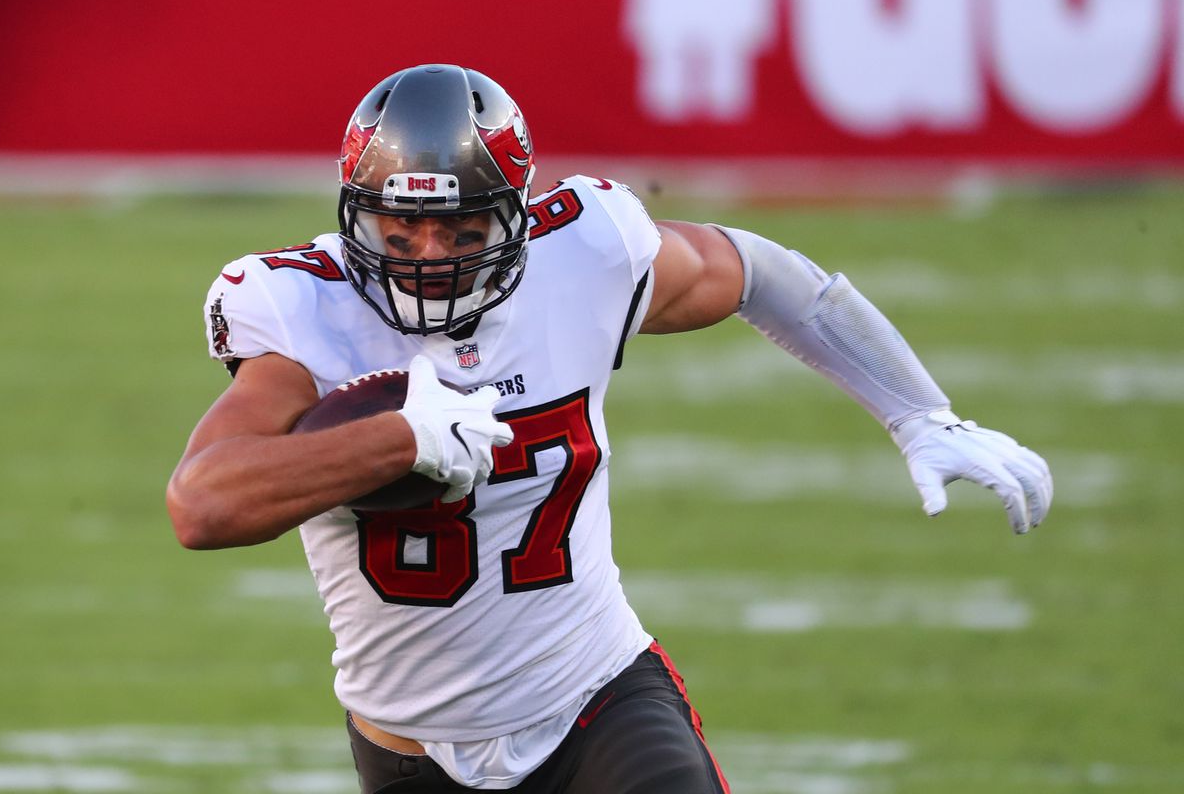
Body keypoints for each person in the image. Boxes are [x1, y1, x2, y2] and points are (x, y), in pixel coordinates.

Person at [166, 64, 1052, 793]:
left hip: (596, 699)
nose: (430, 256)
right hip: (410, 753)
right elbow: (200, 507)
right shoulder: (301, 312)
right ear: (357, 215)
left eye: (459, 225)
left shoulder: (584, 255)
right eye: (401, 228)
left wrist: (916, 409)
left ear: (515, 214)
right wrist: (396, 440)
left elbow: (754, 271)